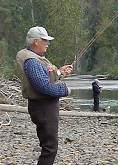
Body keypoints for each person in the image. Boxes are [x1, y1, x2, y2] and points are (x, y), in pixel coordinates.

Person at [16, 26, 73, 165]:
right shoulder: (32, 62)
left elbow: (44, 78)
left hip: (43, 107)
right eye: (45, 40)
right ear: (36, 42)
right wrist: (66, 90)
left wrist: (59, 72)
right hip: (43, 108)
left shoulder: (35, 59)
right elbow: (43, 87)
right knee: (50, 148)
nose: (48, 43)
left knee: (49, 146)